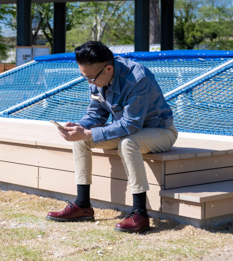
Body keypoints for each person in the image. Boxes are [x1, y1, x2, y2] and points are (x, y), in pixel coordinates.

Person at [46, 41, 178, 234]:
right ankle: (83, 205)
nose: (89, 83)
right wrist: (80, 127)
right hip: (130, 131)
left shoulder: (137, 78)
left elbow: (131, 124)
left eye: (91, 78)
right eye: (84, 77)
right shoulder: (96, 77)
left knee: (128, 143)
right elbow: (96, 114)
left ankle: (140, 213)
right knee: (81, 139)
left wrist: (91, 133)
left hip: (161, 131)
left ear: (109, 68)